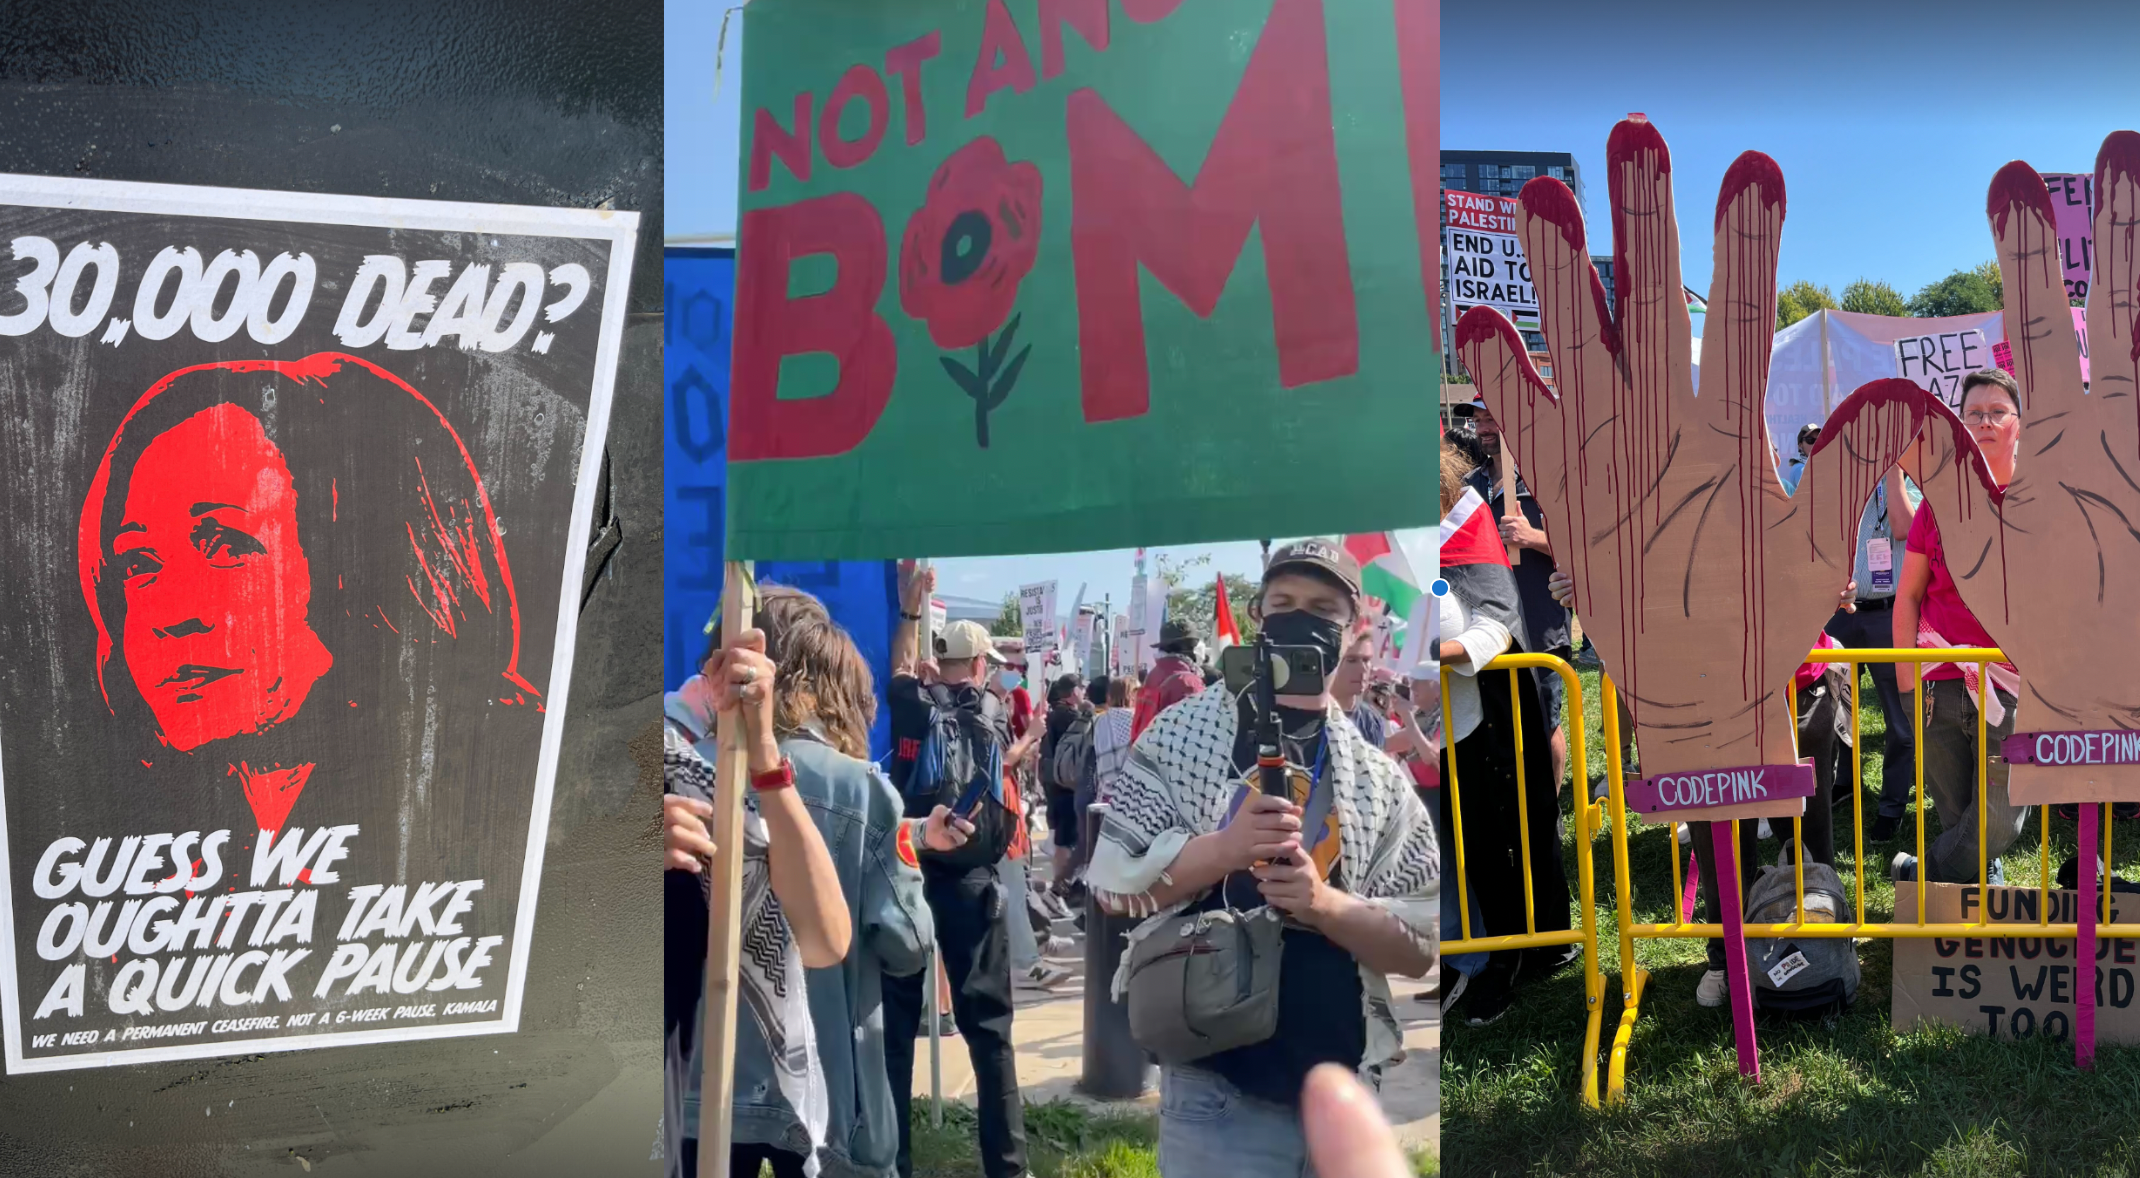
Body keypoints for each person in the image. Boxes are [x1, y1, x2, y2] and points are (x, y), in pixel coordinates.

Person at [80, 353, 539, 865]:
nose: (169, 616)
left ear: (374, 569)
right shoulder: (133, 823)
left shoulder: (520, 770)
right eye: (140, 567)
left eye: (229, 547)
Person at [1087, 539, 1437, 1176]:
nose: (1299, 619)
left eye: (1321, 607)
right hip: (1219, 1094)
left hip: (1345, 1087)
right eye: (1284, 603)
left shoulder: (1376, 775)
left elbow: (1419, 946)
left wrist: (1323, 904)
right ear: (1256, 614)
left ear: (1353, 626)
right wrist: (1221, 850)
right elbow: (1113, 887)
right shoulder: (1181, 735)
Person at [665, 587, 971, 1178]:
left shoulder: (674, 772)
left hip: (695, 1092)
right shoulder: (861, 789)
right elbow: (907, 945)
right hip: (832, 1097)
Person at [660, 613, 858, 1177]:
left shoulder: (718, 782)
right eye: (727, 662)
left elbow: (824, 939)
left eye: (757, 669)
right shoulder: (640, 761)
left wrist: (766, 753)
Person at [881, 566, 1033, 1178]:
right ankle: (1008, 1166)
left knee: (893, 1034)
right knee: (989, 1032)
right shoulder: (995, 710)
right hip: (972, 880)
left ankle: (894, 1162)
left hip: (906, 870)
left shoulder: (910, 703)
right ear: (978, 667)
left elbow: (898, 670)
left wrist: (910, 617)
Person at [1437, 442, 1569, 1024]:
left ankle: (1507, 957)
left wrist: (1440, 652)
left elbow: (1499, 616)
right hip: (1400, 724)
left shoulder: (1463, 512)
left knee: (1494, 841)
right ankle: (1448, 952)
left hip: (1475, 712)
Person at [1891, 370, 2029, 886]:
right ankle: (1974, 905)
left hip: (2010, 685)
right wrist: (1907, 683)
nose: (1986, 422)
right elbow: (1907, 595)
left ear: (2018, 425)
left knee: (1999, 820)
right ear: (1960, 427)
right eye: (1974, 414)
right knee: (1955, 813)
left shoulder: (2042, 505)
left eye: (1998, 412)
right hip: (1937, 682)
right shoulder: (1938, 505)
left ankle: (1917, 874)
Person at [1467, 398, 1573, 793]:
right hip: (1487, 626)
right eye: (1478, 420)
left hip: (1539, 621)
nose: (1482, 428)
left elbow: (1585, 549)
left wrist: (1534, 539)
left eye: (1490, 417)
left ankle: (1548, 806)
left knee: (1544, 721)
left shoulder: (1547, 481)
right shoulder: (1470, 487)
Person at [1823, 464, 1924, 840]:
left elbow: (1902, 528)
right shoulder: (1844, 477)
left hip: (1889, 613)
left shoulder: (1911, 480)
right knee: (1830, 706)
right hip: (1842, 612)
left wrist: (1893, 471)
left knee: (1899, 719)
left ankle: (1892, 805)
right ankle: (1844, 781)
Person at [1130, 618, 1206, 740]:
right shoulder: (1188, 682)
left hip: (1147, 751)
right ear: (1188, 647)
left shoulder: (1152, 676)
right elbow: (1201, 729)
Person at [1332, 626, 1389, 749]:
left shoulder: (1372, 720)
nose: (1363, 669)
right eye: (1351, 660)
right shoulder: (1311, 717)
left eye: (1366, 660)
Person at [1779, 422, 1820, 495]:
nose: (1815, 444)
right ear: (1800, 445)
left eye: (1819, 440)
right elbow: (1817, 495)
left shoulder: (1820, 465)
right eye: (1810, 440)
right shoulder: (1800, 468)